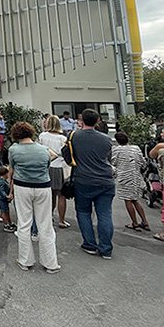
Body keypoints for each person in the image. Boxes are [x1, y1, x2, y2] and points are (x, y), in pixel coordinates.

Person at [63, 108, 115, 259]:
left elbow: (68, 157)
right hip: (105, 179)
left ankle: (90, 244)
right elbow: (108, 158)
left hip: (83, 179)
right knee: (105, 214)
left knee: (84, 212)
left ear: (81, 121)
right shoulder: (106, 139)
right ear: (98, 121)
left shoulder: (73, 136)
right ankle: (106, 249)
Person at [9, 122, 61, 273]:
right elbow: (53, 156)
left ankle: (25, 260)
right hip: (43, 186)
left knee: (24, 223)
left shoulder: (14, 149)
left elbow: (12, 167)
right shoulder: (43, 149)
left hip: (22, 186)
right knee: (45, 224)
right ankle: (51, 263)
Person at [111, 131, 149, 231]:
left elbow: (114, 162)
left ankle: (135, 223)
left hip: (124, 177)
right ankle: (145, 222)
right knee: (135, 199)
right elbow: (142, 162)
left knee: (128, 200)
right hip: (136, 176)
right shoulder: (136, 148)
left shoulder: (117, 149)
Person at [38, 115, 70, 228]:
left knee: (49, 195)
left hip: (46, 166)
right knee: (61, 195)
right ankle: (61, 220)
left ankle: (49, 217)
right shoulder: (63, 139)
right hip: (60, 167)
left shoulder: (42, 136)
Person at [0, 165, 16, 232]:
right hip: (2, 200)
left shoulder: (2, 181)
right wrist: (6, 196)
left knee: (6, 211)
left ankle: (9, 222)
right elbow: (1, 190)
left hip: (3, 200)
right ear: (5, 174)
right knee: (4, 212)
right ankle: (6, 224)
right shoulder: (1, 182)